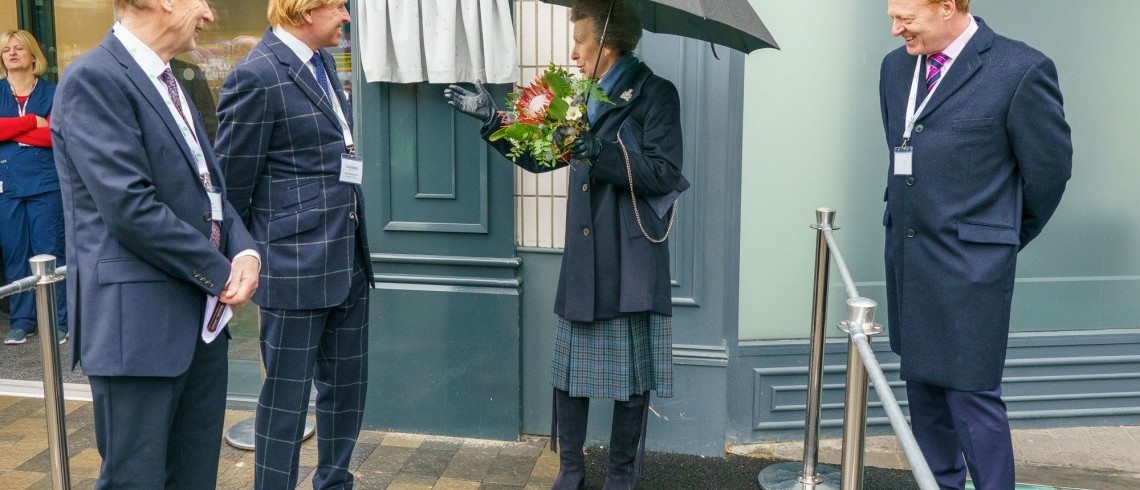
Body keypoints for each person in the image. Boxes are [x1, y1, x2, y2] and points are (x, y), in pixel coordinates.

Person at [446, 1, 687, 487]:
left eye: (579, 40)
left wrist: (605, 153)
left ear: (607, 41)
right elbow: (541, 157)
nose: (572, 52)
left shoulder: (656, 94)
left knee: (631, 382)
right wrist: (493, 119)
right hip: (583, 258)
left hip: (630, 257)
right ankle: (571, 472)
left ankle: (620, 477)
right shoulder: (581, 98)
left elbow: (665, 174)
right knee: (570, 376)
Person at [50, 0, 260, 487]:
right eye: (201, 1)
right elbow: (131, 209)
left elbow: (209, 188)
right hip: (138, 332)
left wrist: (245, 249)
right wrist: (222, 270)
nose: (209, 15)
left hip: (199, 327)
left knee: (193, 477)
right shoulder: (94, 79)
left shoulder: (174, 77)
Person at [880, 1, 1072, 488]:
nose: (895, 28)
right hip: (908, 256)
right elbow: (904, 147)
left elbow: (1048, 174)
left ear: (948, 7)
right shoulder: (895, 68)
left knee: (971, 398)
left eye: (906, 17)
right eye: (892, 15)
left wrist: (998, 240)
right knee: (922, 391)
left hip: (971, 268)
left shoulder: (1020, 69)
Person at [214, 0, 373, 487]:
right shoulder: (256, 76)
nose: (346, 17)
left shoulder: (322, 60)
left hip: (347, 257)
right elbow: (231, 189)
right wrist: (242, 261)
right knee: (284, 403)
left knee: (346, 390)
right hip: (291, 267)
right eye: (338, 7)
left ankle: (335, 481)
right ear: (304, 10)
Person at [0, 29, 67, 345]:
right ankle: (22, 320)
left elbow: (55, 135)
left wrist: (9, 132)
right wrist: (31, 122)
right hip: (8, 187)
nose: (12, 53)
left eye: (18, 48)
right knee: (16, 253)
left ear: (32, 55)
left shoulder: (53, 92)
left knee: (51, 251)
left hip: (45, 185)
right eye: (6, 50)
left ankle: (60, 319)